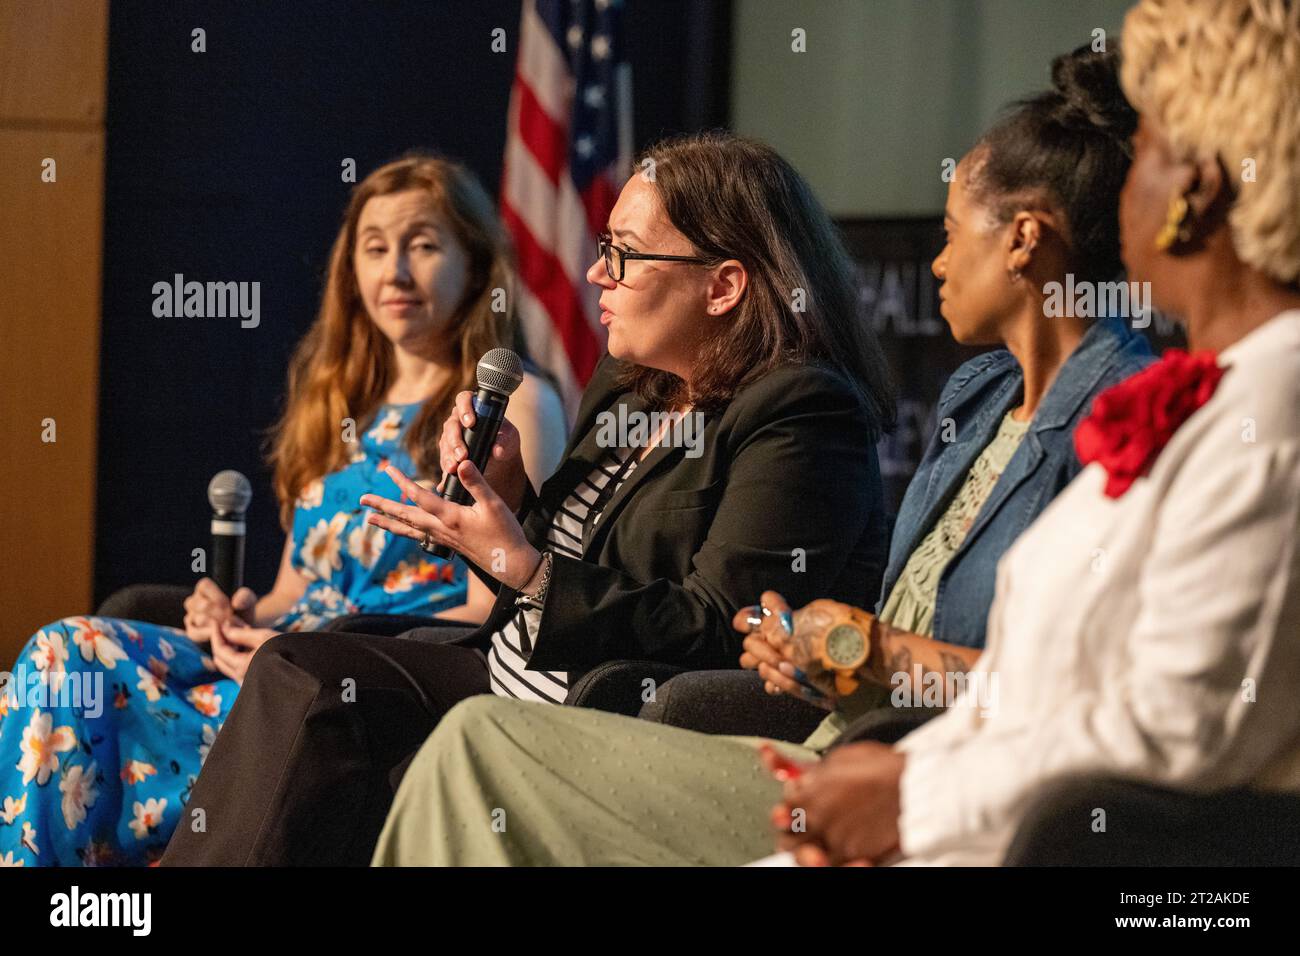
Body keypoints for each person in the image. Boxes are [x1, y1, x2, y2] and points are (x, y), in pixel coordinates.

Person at [371, 9, 1297, 866]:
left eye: (1144, 161)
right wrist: (850, 656)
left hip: (951, 809)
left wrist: (907, 768)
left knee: (472, 749)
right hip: (886, 757)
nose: (1116, 194)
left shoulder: (1247, 416)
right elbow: (1028, 676)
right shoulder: (995, 396)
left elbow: (1161, 740)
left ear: (1199, 189)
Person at [161, 131, 896, 866]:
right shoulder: (630, 385)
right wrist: (508, 500)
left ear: (724, 285)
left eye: (624, 255)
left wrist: (524, 565)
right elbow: (560, 560)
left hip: (599, 706)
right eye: (603, 247)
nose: (595, 273)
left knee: (321, 699)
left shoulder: (800, 412)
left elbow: (724, 624)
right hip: (506, 666)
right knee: (299, 669)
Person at [0, 154, 566, 867]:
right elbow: (290, 591)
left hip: (358, 689)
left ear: (476, 263)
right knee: (68, 653)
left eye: (422, 245)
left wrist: (302, 651)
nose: (395, 272)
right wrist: (239, 617)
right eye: (375, 248)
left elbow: (501, 614)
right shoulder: (334, 406)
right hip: (271, 662)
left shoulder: (510, 410)